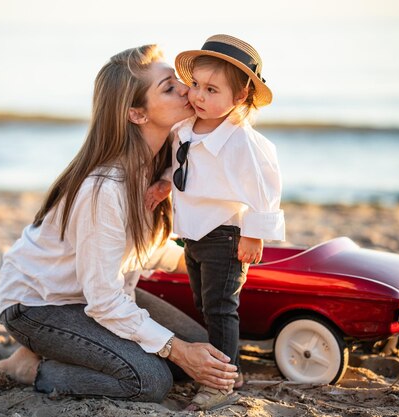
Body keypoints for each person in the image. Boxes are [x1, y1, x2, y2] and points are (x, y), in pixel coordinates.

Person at [0, 44, 239, 403]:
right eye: (169, 87)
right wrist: (175, 349)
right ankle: (30, 367)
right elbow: (103, 300)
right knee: (150, 379)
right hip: (40, 303)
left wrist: (218, 260)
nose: (187, 89)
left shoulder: (163, 164)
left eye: (180, 81)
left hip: (96, 290)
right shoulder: (105, 188)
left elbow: (134, 249)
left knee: (202, 350)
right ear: (137, 114)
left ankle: (72, 351)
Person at [145, 34, 285, 411]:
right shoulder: (186, 128)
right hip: (192, 234)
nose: (199, 96)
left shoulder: (241, 141)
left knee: (222, 307)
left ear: (238, 98)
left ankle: (221, 382)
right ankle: (229, 367)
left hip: (225, 235)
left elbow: (265, 187)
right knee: (204, 303)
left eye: (212, 90)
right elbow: (183, 167)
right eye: (195, 86)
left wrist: (254, 234)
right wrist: (163, 183)